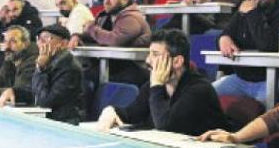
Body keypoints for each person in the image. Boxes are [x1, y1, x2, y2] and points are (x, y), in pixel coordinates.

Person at [97, 29, 231, 135]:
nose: (148, 60)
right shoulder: (153, 86)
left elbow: (166, 127)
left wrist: (157, 85)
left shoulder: (199, 90)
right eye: (149, 54)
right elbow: (131, 115)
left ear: (177, 61)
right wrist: (111, 110)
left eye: (155, 54)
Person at [71, 0, 151, 91]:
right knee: (75, 75)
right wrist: (76, 36)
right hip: (113, 66)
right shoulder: (105, 16)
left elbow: (114, 40)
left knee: (83, 79)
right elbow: (91, 34)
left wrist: (91, 27)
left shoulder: (132, 17)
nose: (106, 1)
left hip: (134, 69)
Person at [31, 25, 85, 125]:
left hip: (65, 122)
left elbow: (45, 102)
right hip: (48, 117)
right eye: (39, 39)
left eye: (47, 38)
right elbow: (34, 92)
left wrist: (40, 69)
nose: (41, 42)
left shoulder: (70, 68)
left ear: (63, 44)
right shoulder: (47, 62)